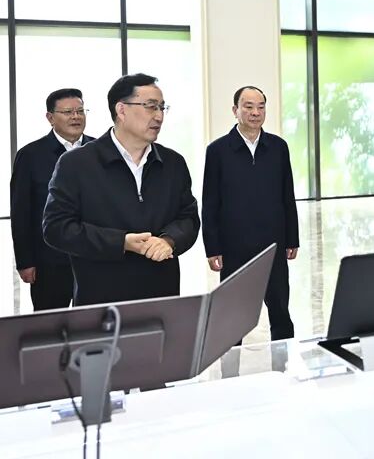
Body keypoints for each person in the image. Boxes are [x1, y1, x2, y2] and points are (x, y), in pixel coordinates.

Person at [43, 74, 200, 305]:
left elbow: (188, 217)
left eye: (162, 107)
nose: (159, 116)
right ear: (122, 110)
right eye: (151, 106)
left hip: (162, 298)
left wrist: (169, 240)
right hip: (101, 300)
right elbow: (56, 228)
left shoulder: (173, 163)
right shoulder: (76, 163)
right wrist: (121, 242)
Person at [202, 86, 299, 342]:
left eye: (261, 106)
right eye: (248, 106)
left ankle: (283, 362)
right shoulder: (218, 151)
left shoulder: (278, 147)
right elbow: (210, 202)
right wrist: (212, 247)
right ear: (235, 110)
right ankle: (230, 365)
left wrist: (292, 238)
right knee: (232, 315)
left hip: (273, 244)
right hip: (234, 246)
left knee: (280, 311)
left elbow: (287, 196)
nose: (256, 112)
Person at [11, 89, 95, 310]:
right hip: (49, 261)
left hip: (94, 257)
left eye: (80, 111)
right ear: (50, 117)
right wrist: (25, 261)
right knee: (49, 324)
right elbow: (21, 212)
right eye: (68, 112)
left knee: (93, 321)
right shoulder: (30, 155)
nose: (76, 117)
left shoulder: (100, 150)